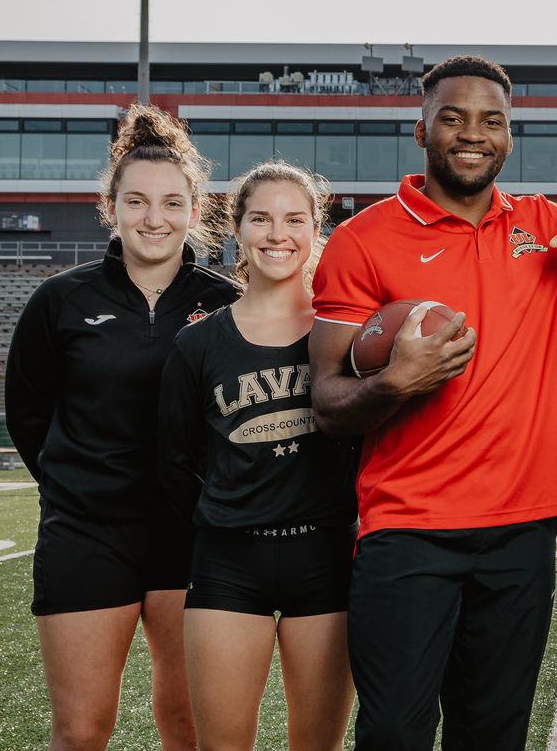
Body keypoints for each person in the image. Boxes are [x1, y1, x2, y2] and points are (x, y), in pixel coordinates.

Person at [306, 54, 557, 750]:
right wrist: (397, 382)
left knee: (493, 734)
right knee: (393, 731)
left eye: (491, 121)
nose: (472, 133)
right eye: (452, 117)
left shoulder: (546, 226)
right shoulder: (362, 239)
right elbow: (326, 400)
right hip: (408, 526)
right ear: (421, 130)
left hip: (522, 526)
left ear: (509, 137)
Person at [5, 105, 240, 751]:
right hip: (86, 534)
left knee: (189, 727)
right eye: (136, 200)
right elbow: (29, 414)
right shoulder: (61, 300)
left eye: (171, 202)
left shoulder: (225, 304)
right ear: (111, 206)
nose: (154, 217)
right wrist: (78, 484)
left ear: (195, 210)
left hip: (191, 537)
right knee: (81, 731)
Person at [157, 161, 357, 750]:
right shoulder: (197, 343)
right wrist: (230, 512)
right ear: (236, 228)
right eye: (261, 219)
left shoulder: (345, 333)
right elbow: (174, 463)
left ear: (315, 227)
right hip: (228, 566)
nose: (278, 234)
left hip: (326, 561)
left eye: (295, 219)